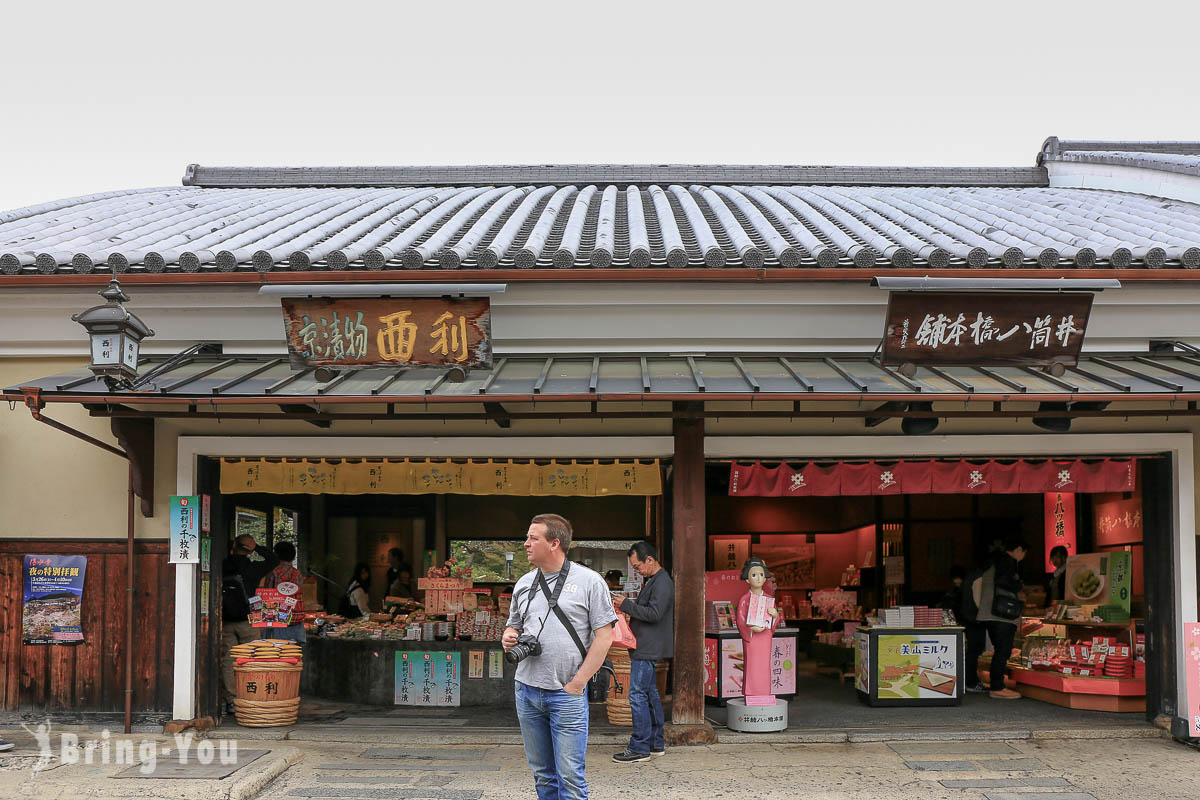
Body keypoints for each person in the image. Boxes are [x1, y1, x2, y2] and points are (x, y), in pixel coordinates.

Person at [503, 514, 616, 800]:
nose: (526, 543)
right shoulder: (524, 583)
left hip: (567, 693)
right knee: (543, 775)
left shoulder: (590, 581)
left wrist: (578, 684)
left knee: (571, 778)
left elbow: (605, 637)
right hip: (526, 690)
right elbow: (515, 623)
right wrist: (509, 634)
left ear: (555, 543)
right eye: (527, 537)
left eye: (533, 538)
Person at [611, 541, 674, 763]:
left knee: (637, 696)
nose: (636, 570)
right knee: (649, 695)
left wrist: (627, 604)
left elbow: (655, 613)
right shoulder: (655, 581)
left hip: (647, 646)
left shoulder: (662, 582)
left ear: (650, 560)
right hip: (646, 645)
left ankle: (639, 747)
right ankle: (655, 743)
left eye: (637, 566)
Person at [220, 534, 279, 714]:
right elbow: (274, 559)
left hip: (225, 620)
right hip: (249, 620)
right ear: (249, 549)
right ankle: (251, 695)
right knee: (251, 658)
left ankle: (231, 700)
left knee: (228, 660)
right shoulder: (252, 568)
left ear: (234, 545)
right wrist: (257, 548)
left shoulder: (222, 565)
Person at [964, 535, 1027, 700]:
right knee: (1003, 650)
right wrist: (1019, 586)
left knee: (1000, 650)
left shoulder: (992, 562)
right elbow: (1004, 581)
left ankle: (996, 685)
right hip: (1001, 615)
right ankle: (997, 687)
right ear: (1019, 549)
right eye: (1024, 553)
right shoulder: (1007, 561)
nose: (1023, 558)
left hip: (989, 614)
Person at [259, 541, 306, 643]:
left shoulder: (273, 573)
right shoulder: (298, 574)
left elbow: (267, 597)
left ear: (277, 555)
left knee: (279, 651)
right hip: (296, 618)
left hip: (279, 619)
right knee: (295, 653)